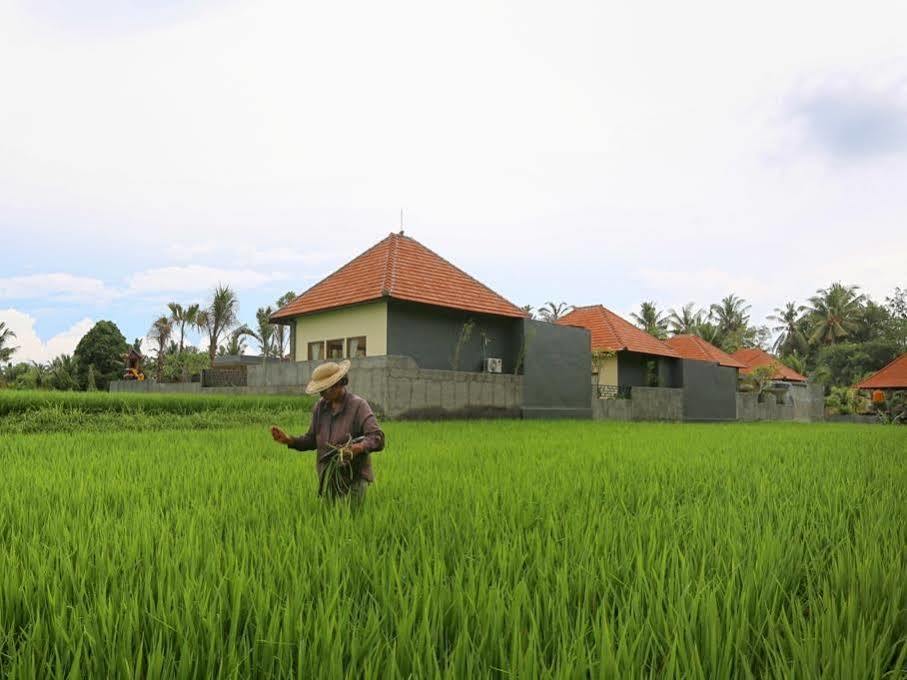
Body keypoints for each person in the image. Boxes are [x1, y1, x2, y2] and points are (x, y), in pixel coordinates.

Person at [270, 360, 385, 504]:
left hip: (353, 479)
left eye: (324, 389)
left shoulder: (358, 406)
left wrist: (358, 448)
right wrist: (289, 440)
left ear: (338, 384)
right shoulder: (320, 408)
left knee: (353, 522)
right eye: (320, 390)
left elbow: (377, 437)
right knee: (331, 520)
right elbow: (312, 440)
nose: (321, 394)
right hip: (328, 477)